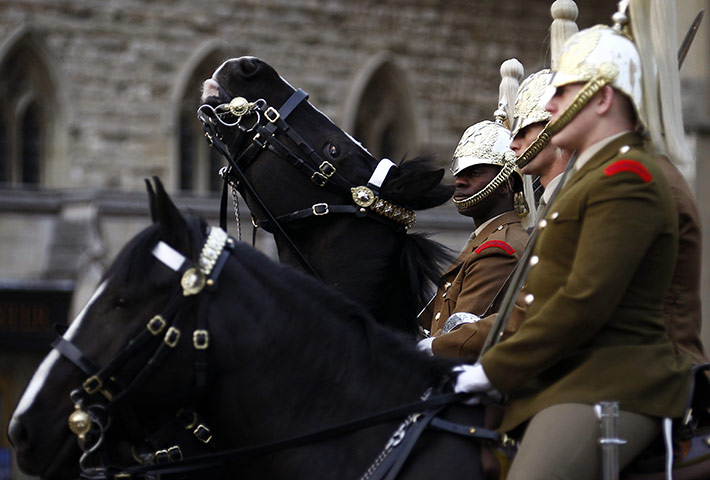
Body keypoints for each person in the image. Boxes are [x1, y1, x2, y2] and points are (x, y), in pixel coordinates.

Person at [453, 2, 694, 478]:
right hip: (567, 370)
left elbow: (582, 301)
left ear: (601, 99)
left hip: (612, 378)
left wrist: (492, 369)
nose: (549, 105)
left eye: (563, 91)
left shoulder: (628, 176)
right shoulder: (594, 178)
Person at [417, 59, 533, 358]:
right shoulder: (486, 238)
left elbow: (460, 339)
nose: (460, 179)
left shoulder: (499, 246)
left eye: (475, 172)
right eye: (460, 172)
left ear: (506, 183)